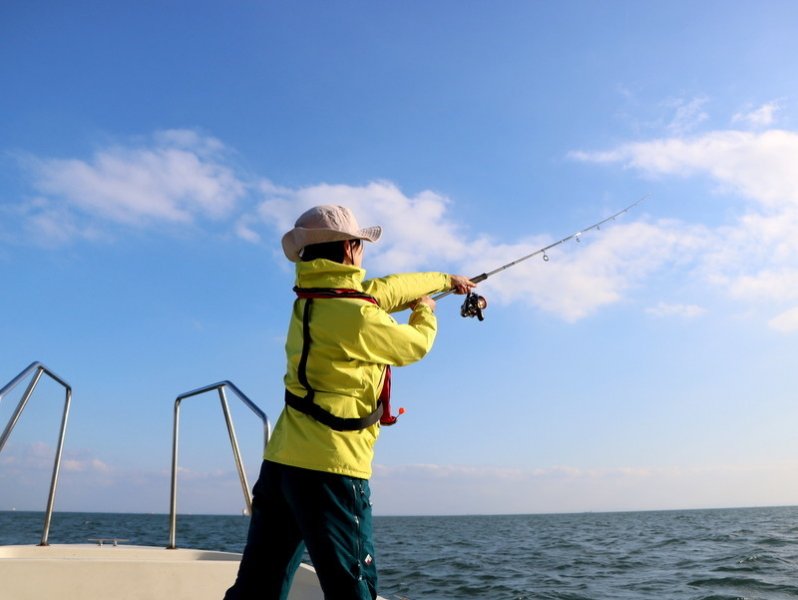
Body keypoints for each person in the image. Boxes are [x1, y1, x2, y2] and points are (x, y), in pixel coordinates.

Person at [223, 204, 475, 600]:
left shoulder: (310, 300)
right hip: (332, 469)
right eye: (359, 244)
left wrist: (446, 279)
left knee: (258, 586)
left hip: (282, 465)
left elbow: (387, 288)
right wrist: (426, 311)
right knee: (351, 589)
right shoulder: (357, 316)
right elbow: (412, 346)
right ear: (349, 250)